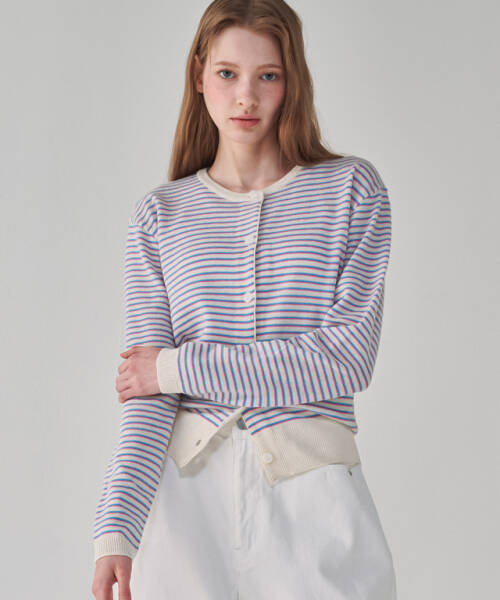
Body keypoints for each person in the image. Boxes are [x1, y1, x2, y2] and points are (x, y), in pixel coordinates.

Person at [91, 1, 398, 598]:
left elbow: (345, 360)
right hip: (185, 509)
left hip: (314, 501)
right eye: (228, 73)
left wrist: (174, 367)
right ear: (199, 75)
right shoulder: (161, 214)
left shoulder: (350, 191)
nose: (246, 97)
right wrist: (116, 529)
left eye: (268, 75)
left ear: (292, 81)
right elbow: (146, 395)